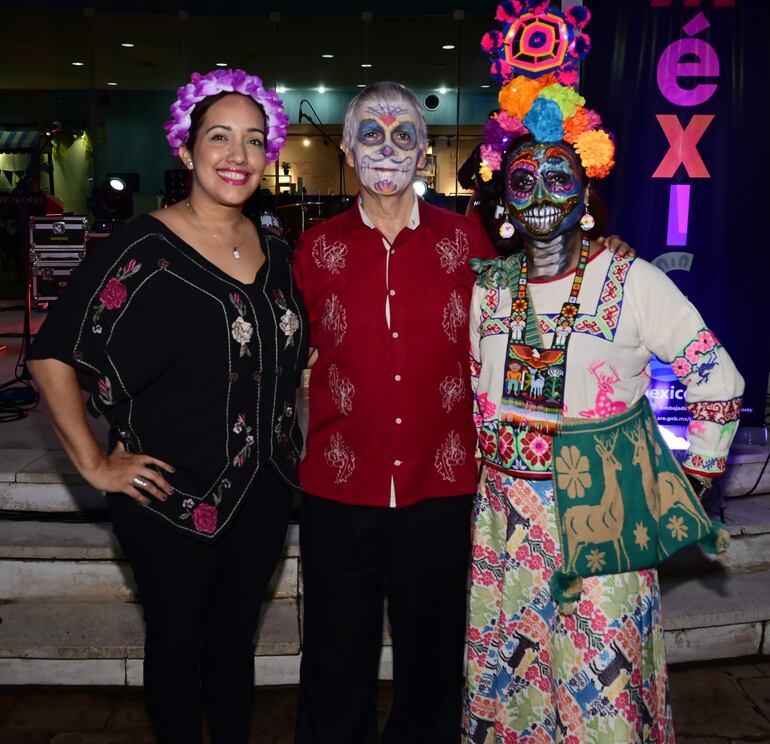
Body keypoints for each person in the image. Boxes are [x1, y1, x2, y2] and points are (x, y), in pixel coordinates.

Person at [463, 4, 744, 742]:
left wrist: (691, 486)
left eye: (560, 177)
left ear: (586, 194)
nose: (543, 196)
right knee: (515, 686)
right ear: (502, 203)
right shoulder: (487, 290)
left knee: (601, 699)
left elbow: (718, 381)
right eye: (523, 183)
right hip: (505, 527)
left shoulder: (632, 279)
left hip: (605, 524)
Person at [27, 68, 306, 744]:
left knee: (235, 645)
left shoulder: (273, 250)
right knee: (179, 648)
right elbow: (51, 355)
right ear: (186, 149)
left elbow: (293, 352)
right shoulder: (142, 251)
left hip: (263, 491)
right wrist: (94, 464)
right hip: (170, 497)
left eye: (253, 140)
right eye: (220, 138)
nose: (238, 156)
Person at [292, 80, 498, 743]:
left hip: (440, 488)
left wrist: (600, 249)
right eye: (371, 135)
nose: (388, 147)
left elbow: (527, 322)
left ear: (425, 152)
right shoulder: (310, 251)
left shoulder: (471, 245)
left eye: (403, 133)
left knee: (433, 661)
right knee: (333, 657)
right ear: (349, 150)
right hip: (337, 487)